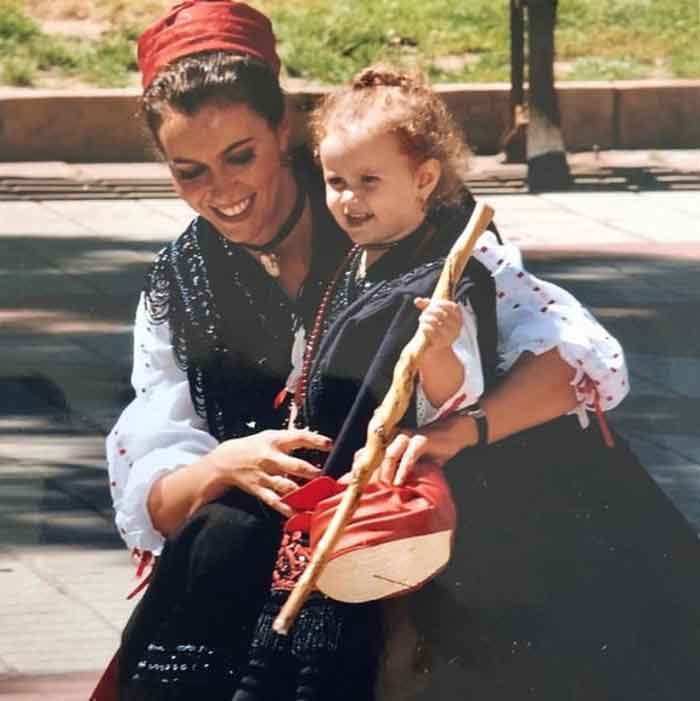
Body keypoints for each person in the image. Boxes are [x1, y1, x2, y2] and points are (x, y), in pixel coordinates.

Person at [105, 2, 629, 699]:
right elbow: (162, 487)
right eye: (188, 171)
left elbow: (569, 360)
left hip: (445, 519)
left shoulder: (397, 212)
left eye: (241, 156)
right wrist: (221, 463)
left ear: (282, 129)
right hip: (289, 553)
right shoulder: (182, 278)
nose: (222, 191)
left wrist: (454, 431)